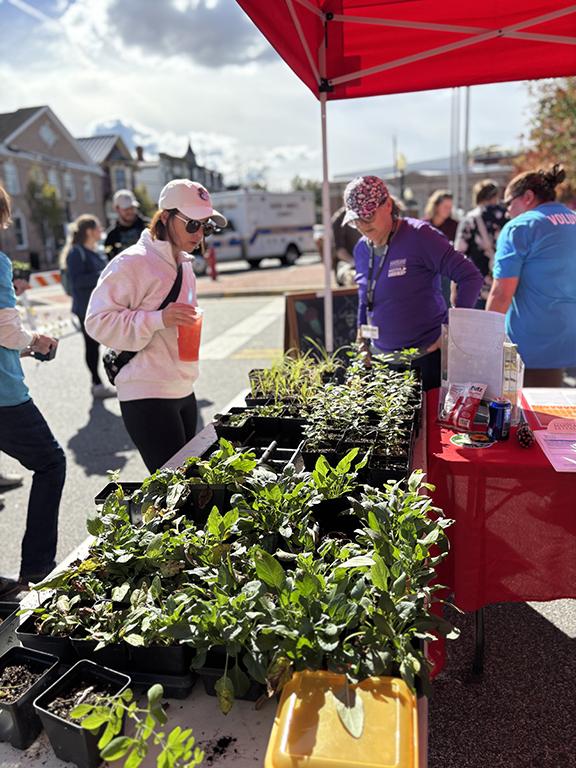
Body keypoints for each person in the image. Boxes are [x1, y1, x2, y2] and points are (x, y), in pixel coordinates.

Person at [86, 179, 227, 472]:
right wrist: (157, 319)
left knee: (194, 487)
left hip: (182, 385)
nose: (200, 234)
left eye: (207, 226)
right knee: (177, 494)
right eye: (192, 225)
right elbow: (96, 322)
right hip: (146, 391)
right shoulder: (132, 262)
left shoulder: (185, 263)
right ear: (165, 218)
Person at [343, 176, 483, 390]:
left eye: (368, 216)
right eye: (356, 220)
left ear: (388, 205)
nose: (362, 224)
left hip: (424, 362)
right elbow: (365, 298)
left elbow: (470, 276)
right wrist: (361, 339)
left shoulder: (420, 236)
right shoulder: (362, 249)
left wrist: (451, 330)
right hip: (381, 362)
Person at [0, 184, 66, 598]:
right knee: (50, 463)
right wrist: (33, 341)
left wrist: (22, 346)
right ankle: (37, 569)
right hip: (3, 398)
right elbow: (6, 331)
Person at [486, 164, 576, 387]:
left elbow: (501, 294)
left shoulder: (520, 227)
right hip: (567, 342)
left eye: (508, 203)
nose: (507, 212)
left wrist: (483, 341)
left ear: (527, 196)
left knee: (533, 419)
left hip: (532, 351)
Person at [59, 215, 115, 399]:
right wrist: (104, 274)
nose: (101, 231)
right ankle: (97, 384)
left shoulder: (95, 251)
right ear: (89, 231)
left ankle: (109, 381)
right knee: (92, 346)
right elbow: (77, 281)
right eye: (98, 228)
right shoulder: (76, 253)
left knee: (107, 343)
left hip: (100, 307)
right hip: (86, 309)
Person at [455, 179, 507, 308]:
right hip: (506, 287)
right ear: (496, 195)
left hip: (479, 288)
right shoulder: (508, 215)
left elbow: (459, 254)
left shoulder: (470, 219)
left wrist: (455, 289)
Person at [104, 189, 148, 261]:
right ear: (117, 209)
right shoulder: (111, 237)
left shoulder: (149, 227)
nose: (130, 211)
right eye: (126, 209)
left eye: (132, 207)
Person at [331, 206, 361, 287]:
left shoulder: (363, 214)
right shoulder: (339, 219)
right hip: (347, 267)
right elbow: (340, 251)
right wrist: (355, 263)